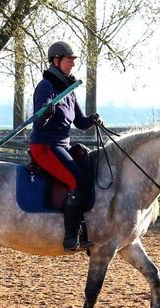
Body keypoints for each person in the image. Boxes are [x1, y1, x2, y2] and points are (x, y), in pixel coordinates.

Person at [29, 40, 102, 251]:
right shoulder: (46, 86)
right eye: (69, 60)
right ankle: (71, 237)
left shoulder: (69, 89)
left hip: (61, 145)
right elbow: (38, 120)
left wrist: (92, 120)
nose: (72, 64)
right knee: (74, 181)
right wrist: (45, 111)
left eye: (73, 61)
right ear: (56, 60)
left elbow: (80, 121)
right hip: (44, 146)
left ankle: (85, 227)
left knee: (87, 175)